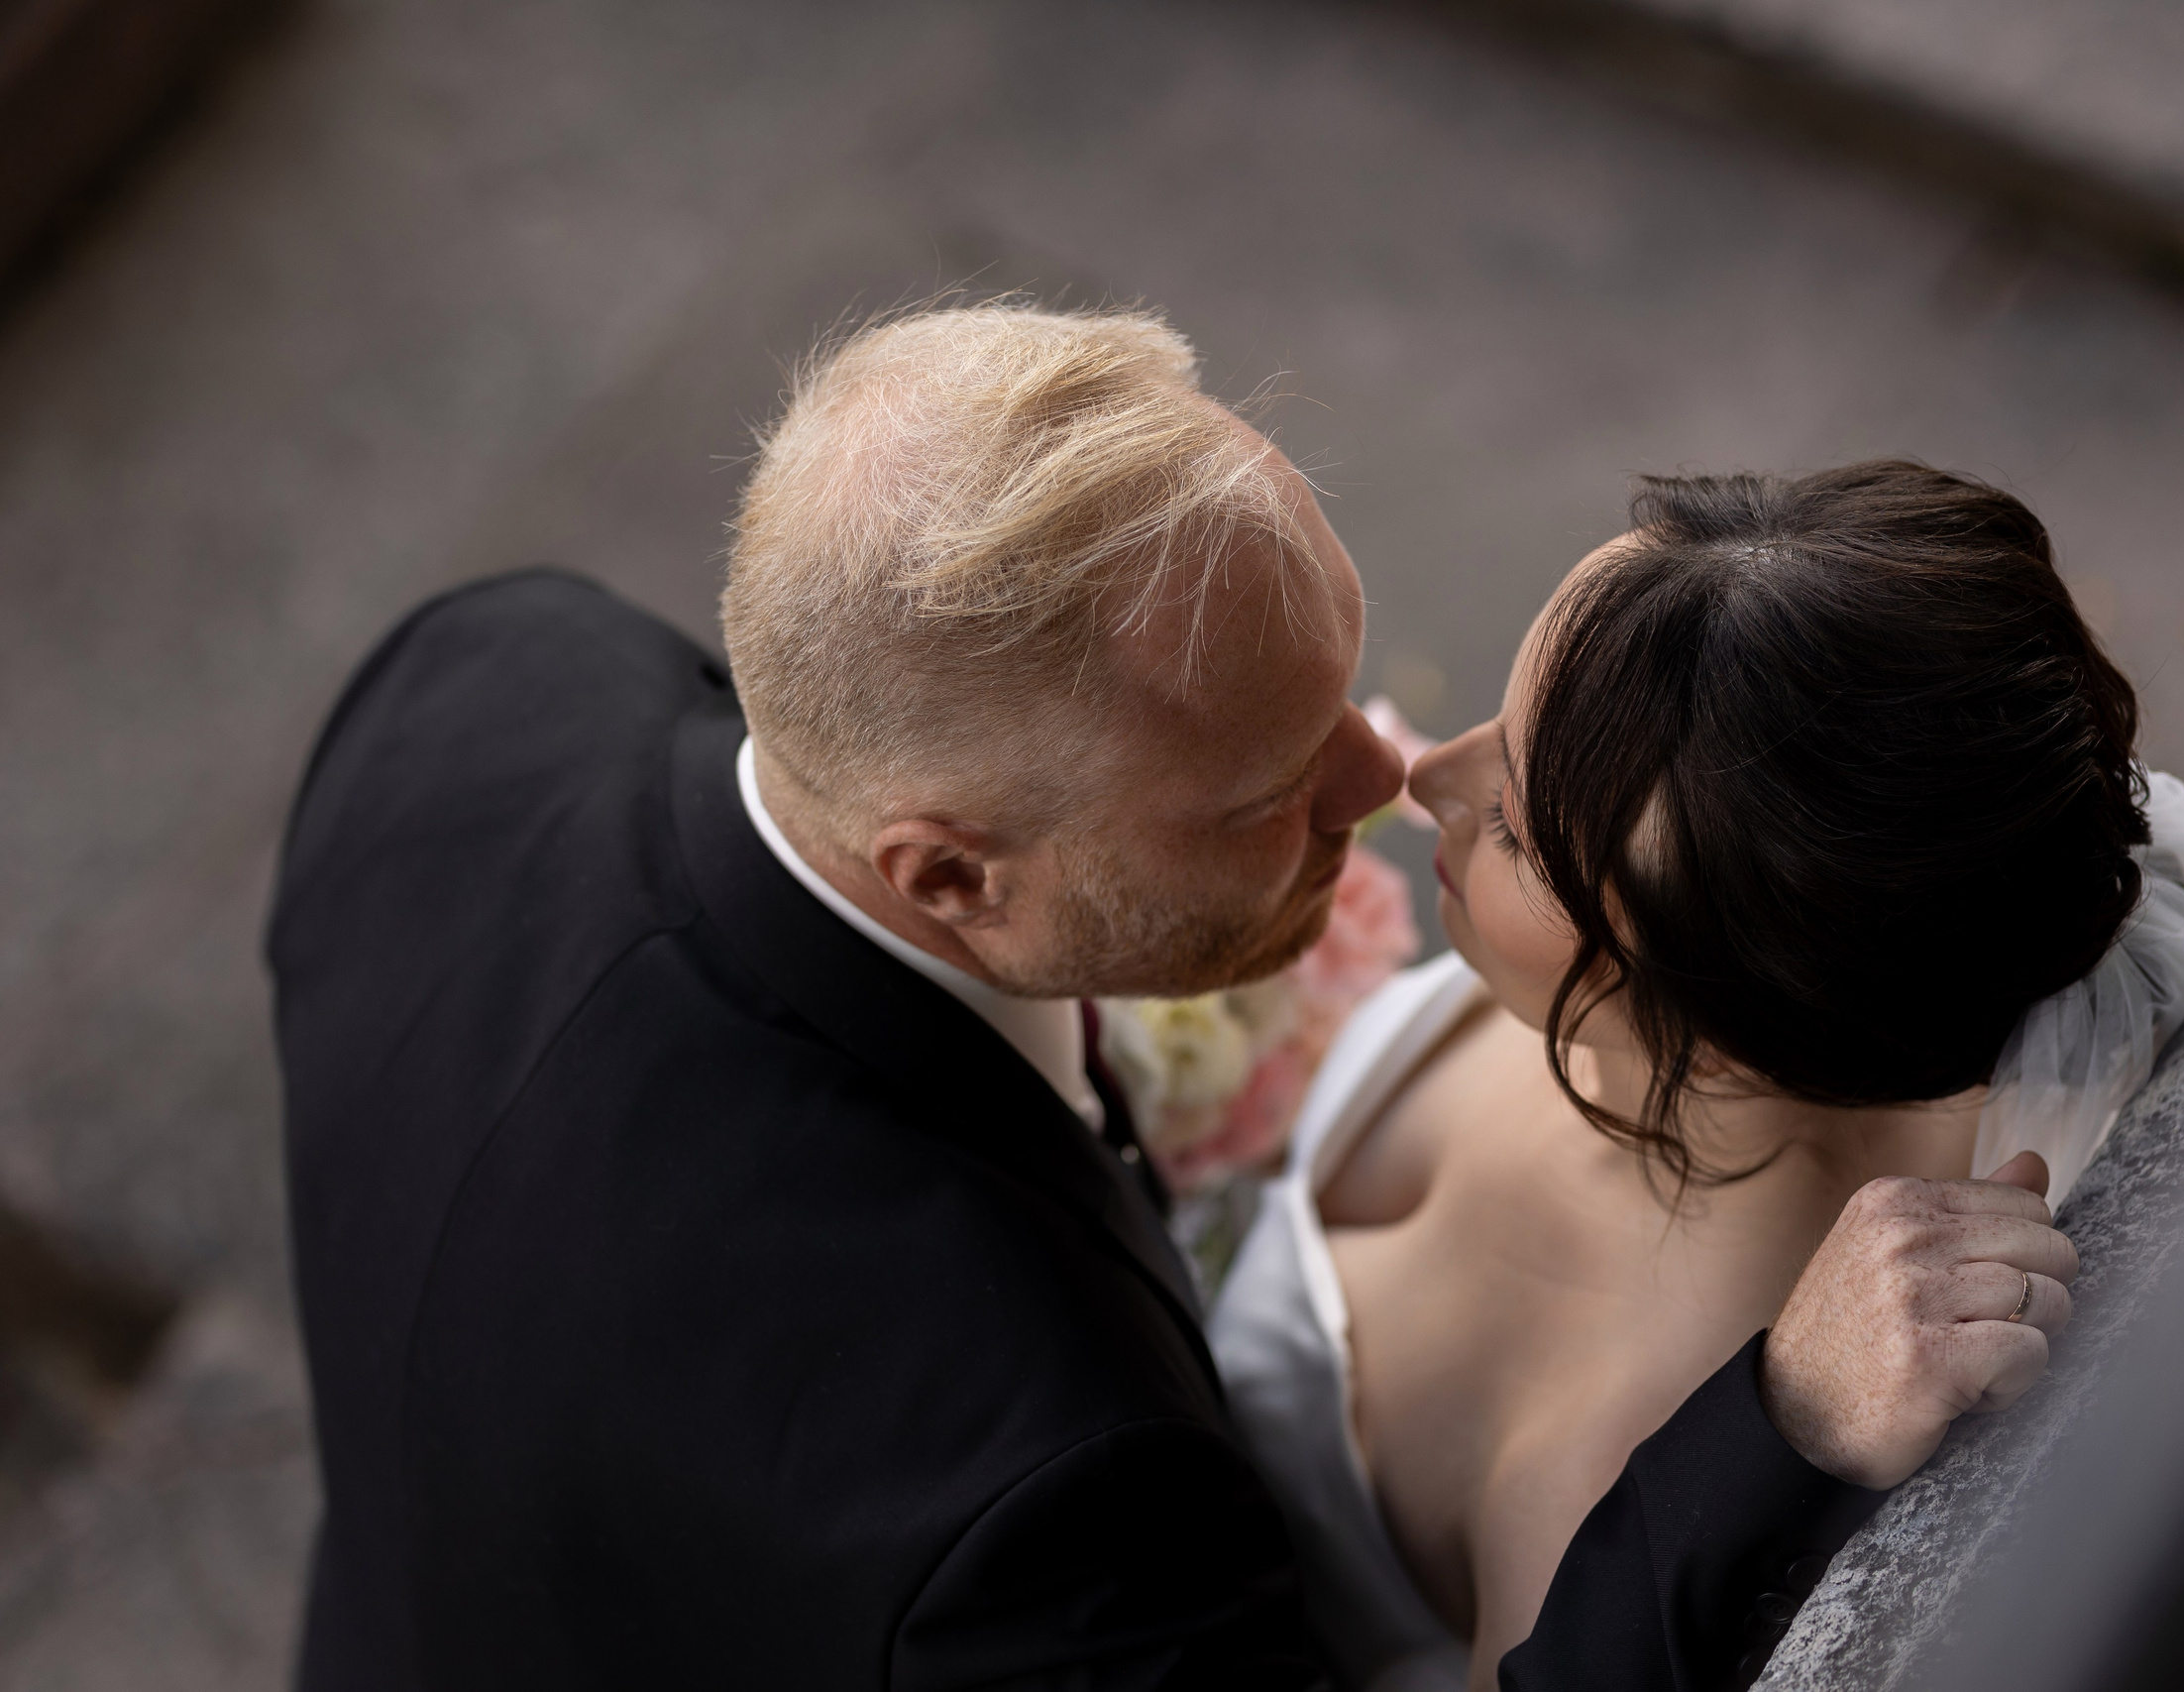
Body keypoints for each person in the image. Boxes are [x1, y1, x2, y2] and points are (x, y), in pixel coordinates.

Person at [270, 304, 2086, 1691]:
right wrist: (1780, 1435)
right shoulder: (1035, 1502)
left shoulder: (478, 681)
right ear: (952, 878)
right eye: (1259, 794)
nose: (1387, 775)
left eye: (1342, 690)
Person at [1210, 462, 2184, 1691]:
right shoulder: (1648, 992)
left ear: (1720, 1023)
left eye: (1515, 831)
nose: (1425, 778)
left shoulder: (1598, 1487)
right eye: (1501, 724)